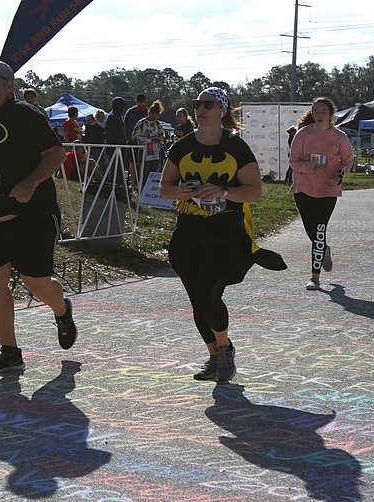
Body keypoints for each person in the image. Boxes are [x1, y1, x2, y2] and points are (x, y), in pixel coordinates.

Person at [0, 61, 77, 376]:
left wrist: (30, 183)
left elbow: (56, 154)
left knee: (36, 283)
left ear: (9, 85)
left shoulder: (26, 115)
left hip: (30, 216)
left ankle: (62, 310)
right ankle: (10, 352)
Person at [158, 87, 285, 382]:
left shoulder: (236, 148)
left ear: (222, 110)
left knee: (207, 294)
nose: (200, 109)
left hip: (226, 232)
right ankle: (214, 357)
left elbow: (254, 191)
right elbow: (164, 187)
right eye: (196, 104)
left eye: (208, 104)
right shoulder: (182, 147)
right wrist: (180, 191)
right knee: (196, 299)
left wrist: (223, 191)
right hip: (189, 230)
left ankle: (225, 349)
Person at [288, 96, 355, 291]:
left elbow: (349, 160)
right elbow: (293, 162)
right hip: (304, 189)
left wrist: (340, 176)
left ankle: (314, 277)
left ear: (331, 114)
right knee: (312, 231)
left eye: (323, 112)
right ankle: (325, 249)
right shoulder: (303, 134)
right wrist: (310, 167)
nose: (319, 115)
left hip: (327, 190)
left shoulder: (339, 137)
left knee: (319, 232)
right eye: (316, 111)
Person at [130, 99, 166, 186]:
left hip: (155, 152)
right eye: (153, 116)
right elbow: (134, 136)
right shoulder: (141, 123)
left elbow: (162, 136)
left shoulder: (157, 124)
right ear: (149, 112)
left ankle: (151, 191)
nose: (154, 119)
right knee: (144, 172)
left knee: (154, 173)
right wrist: (148, 140)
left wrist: (158, 140)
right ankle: (143, 191)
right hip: (144, 151)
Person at [105, 96, 126, 182]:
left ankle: (119, 184)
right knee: (115, 168)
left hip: (120, 148)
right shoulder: (112, 117)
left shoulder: (117, 116)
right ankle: (114, 185)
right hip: (115, 148)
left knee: (120, 168)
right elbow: (114, 135)